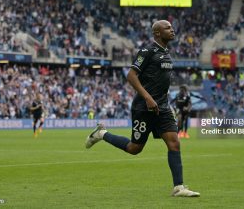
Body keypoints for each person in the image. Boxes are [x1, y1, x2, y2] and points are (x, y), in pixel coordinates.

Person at [85, 20, 200, 197]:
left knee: (174, 143)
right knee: (134, 148)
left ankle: (179, 187)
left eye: (171, 27)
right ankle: (101, 134)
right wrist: (147, 97)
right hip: (143, 107)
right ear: (157, 33)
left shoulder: (167, 54)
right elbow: (131, 75)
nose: (172, 30)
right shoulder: (147, 52)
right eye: (167, 28)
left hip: (162, 107)